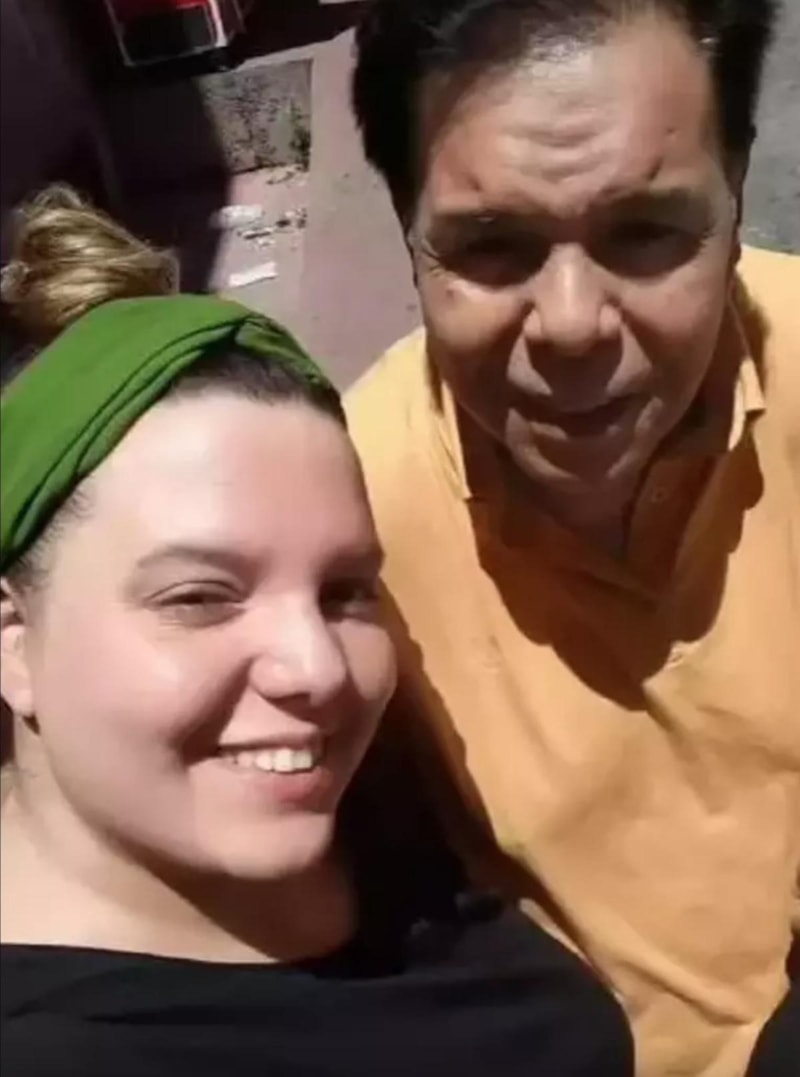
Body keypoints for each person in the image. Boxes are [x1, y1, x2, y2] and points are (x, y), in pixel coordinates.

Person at [0, 187, 634, 1077]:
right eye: (200, 597)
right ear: (14, 639)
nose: (318, 668)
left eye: (345, 591)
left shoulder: (366, 820)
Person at [346, 3, 800, 1076]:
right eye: (491, 249)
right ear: (406, 231)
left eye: (643, 233)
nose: (569, 324)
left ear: (735, 188)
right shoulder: (342, 530)